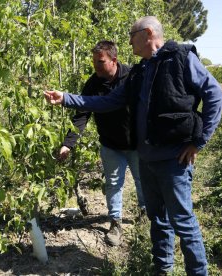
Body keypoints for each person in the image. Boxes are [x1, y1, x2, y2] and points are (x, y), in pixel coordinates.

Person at [44, 16, 222, 276]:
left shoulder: (181, 59)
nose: (128, 41)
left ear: (148, 33)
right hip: (148, 160)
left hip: (174, 160)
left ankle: (198, 272)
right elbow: (108, 101)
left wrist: (198, 141)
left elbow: (215, 95)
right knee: (158, 220)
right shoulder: (141, 70)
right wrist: (66, 99)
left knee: (183, 223)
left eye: (132, 34)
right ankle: (163, 269)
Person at [59, 40, 146, 247]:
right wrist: (68, 144)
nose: (96, 66)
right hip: (110, 145)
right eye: (94, 62)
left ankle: (146, 216)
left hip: (136, 144)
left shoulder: (132, 77)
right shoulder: (93, 83)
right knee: (113, 184)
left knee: (143, 182)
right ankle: (115, 223)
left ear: (114, 60)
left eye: (100, 62)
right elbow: (82, 115)